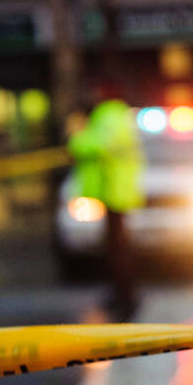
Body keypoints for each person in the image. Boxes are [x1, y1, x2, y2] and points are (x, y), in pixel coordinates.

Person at [67, 96, 145, 319]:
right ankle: (121, 296)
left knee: (119, 250)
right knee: (115, 249)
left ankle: (126, 299)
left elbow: (98, 145)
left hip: (115, 192)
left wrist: (76, 138)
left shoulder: (109, 116)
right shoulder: (115, 115)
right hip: (114, 191)